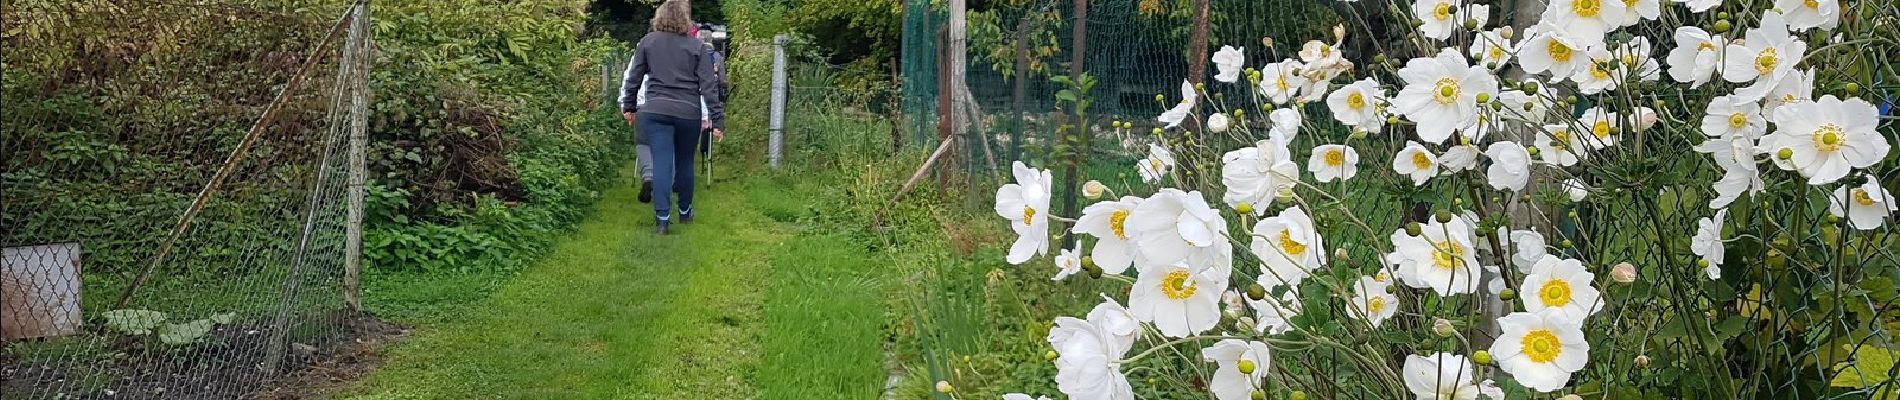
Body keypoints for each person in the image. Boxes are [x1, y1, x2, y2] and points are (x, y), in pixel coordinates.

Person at [619, 0, 724, 235]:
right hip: (688, 112)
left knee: (663, 164)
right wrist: (717, 121)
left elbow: (634, 78)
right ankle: (685, 211)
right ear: (686, 20)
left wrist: (629, 106)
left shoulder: (648, 42)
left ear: (659, 18)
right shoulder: (698, 48)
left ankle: (663, 220)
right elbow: (709, 87)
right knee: (685, 163)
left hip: (655, 110)